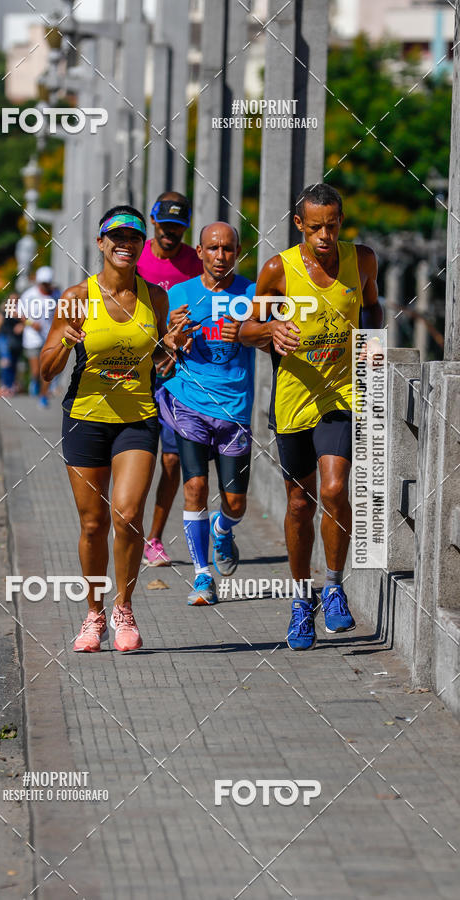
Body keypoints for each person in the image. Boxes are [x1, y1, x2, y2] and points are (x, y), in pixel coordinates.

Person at [40, 205, 190, 653]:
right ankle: (93, 614)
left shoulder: (155, 299)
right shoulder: (75, 298)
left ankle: (124, 609)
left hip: (137, 419)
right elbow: (46, 371)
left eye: (133, 239)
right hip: (85, 417)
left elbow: (161, 364)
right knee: (93, 524)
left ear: (141, 246)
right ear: (100, 243)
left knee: (126, 517)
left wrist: (171, 345)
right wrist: (67, 342)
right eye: (116, 238)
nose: (125, 245)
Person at [239, 183, 382, 650]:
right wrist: (270, 331)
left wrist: (373, 351)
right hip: (293, 398)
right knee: (300, 503)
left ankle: (335, 586)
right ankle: (302, 601)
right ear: (299, 224)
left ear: (342, 220)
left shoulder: (361, 260)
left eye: (332, 224)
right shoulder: (278, 269)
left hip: (340, 395)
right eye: (315, 226)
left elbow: (374, 309)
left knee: (336, 488)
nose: (324, 234)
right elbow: (244, 329)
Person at [156, 221, 256, 606]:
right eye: (212, 248)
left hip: (234, 409)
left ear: (237, 252)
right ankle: (201, 576)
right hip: (190, 402)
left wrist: (245, 331)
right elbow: (165, 351)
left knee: (235, 503)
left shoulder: (251, 293)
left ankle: (223, 528)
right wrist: (173, 338)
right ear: (199, 252)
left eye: (228, 249)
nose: (220, 256)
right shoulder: (180, 294)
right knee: (195, 486)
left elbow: (270, 340)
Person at [136, 191, 203, 567]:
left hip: (177, 372)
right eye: (164, 226)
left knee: (173, 460)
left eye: (178, 228)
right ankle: (128, 521)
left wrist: (179, 341)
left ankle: (155, 539)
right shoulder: (137, 258)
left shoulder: (196, 263)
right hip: (138, 371)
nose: (170, 234)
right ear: (153, 222)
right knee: (137, 456)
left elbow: (208, 311)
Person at [20, 265, 57, 408]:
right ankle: (34, 382)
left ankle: (43, 396)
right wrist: (31, 323)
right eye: (44, 284)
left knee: (46, 369)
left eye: (48, 284)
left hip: (49, 337)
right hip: (32, 338)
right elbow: (19, 313)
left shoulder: (56, 294)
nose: (46, 286)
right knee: (36, 371)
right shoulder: (29, 295)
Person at [0, 292, 24, 397]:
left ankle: (10, 385)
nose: (14, 303)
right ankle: (5, 385)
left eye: (16, 301)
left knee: (13, 364)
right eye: (11, 301)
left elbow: (29, 321)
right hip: (4, 338)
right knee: (5, 362)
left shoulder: (21, 313)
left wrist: (22, 324)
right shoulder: (2, 312)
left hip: (16, 341)